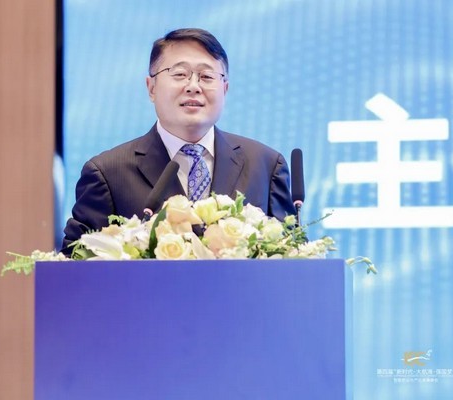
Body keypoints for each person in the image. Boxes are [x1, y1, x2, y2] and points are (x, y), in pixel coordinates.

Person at [62, 28, 295, 252]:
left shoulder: (266, 166)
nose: (193, 87)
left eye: (206, 76)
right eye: (180, 74)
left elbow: (289, 257)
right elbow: (76, 262)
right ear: (151, 88)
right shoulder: (107, 174)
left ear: (225, 89)